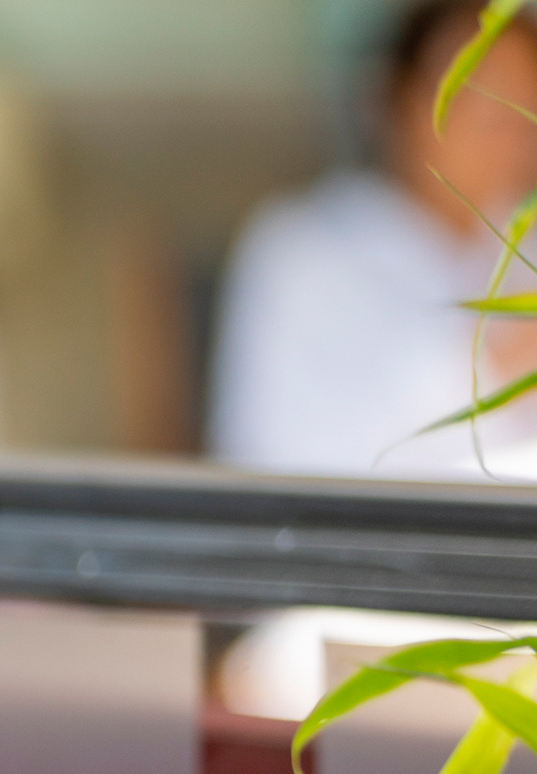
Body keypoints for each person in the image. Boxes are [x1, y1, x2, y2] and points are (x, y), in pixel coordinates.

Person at [208, 0, 537, 475]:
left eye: (524, 109)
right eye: (482, 101)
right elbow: (273, 465)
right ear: (395, 99)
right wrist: (493, 367)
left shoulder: (524, 247)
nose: (506, 136)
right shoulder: (303, 255)